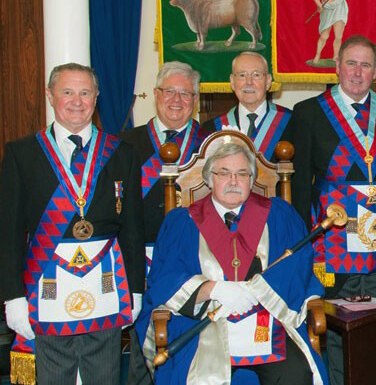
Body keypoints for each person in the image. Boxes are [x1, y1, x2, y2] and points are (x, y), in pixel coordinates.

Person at [0, 63, 145, 383]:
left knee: (104, 376)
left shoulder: (122, 153)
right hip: (45, 287)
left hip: (105, 285)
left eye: (85, 93)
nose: (77, 101)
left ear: (96, 98)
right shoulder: (22, 153)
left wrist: (135, 290)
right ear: (50, 96)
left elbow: (132, 229)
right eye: (67, 92)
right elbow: (8, 234)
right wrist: (13, 297)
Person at [134, 142, 328, 384]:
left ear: (252, 179)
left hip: (268, 323)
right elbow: (164, 279)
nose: (234, 181)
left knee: (296, 374)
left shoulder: (279, 216)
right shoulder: (182, 223)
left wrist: (260, 291)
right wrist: (213, 290)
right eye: (224, 173)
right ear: (209, 179)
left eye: (242, 174)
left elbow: (299, 269)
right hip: (204, 326)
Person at [286, 34, 376, 383]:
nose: (358, 72)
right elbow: (300, 184)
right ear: (338, 66)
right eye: (351, 63)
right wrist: (303, 242)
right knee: (339, 325)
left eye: (366, 65)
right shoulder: (308, 113)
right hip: (335, 240)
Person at [119, 61, 212, 385]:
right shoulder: (124, 143)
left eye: (185, 93)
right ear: (156, 95)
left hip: (196, 261)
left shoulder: (210, 143)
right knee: (144, 340)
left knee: (192, 345)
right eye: (169, 91)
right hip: (140, 259)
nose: (177, 99)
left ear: (195, 99)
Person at [204, 52, 292, 161]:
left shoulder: (292, 122)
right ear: (232, 82)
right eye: (242, 75)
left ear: (268, 81)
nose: (249, 82)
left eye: (256, 75)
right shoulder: (213, 128)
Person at [311, 0, 351, 64]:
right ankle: (317, 55)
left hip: (339, 6)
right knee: (324, 36)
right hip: (326, 7)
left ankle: (335, 56)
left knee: (338, 36)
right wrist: (318, 4)